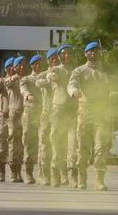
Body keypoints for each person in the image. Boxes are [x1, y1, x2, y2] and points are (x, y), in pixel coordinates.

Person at [67, 41, 112, 191]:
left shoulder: (106, 71)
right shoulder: (79, 70)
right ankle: (82, 179)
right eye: (90, 51)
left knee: (100, 148)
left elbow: (113, 86)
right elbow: (72, 83)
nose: (93, 53)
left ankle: (99, 180)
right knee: (83, 149)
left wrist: (115, 93)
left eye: (96, 51)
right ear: (86, 53)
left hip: (101, 113)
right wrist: (73, 91)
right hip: (85, 113)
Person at [48, 44, 78, 187]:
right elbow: (50, 76)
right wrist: (52, 77)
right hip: (58, 110)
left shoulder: (76, 71)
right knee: (57, 142)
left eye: (69, 53)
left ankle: (72, 174)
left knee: (73, 143)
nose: (67, 56)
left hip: (72, 111)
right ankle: (56, 174)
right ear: (59, 56)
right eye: (64, 54)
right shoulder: (55, 69)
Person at [34, 49, 58, 186]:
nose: (54, 60)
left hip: (60, 113)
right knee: (44, 144)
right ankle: (43, 174)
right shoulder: (43, 74)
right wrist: (48, 78)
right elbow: (38, 82)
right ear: (48, 61)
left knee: (59, 144)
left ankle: (59, 174)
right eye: (52, 58)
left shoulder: (62, 72)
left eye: (56, 58)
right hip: (46, 113)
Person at [19, 55, 44, 184]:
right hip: (30, 112)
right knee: (29, 142)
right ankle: (28, 173)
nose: (38, 66)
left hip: (43, 112)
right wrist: (28, 95)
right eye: (36, 64)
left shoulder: (45, 77)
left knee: (44, 143)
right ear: (32, 66)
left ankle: (42, 173)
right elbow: (23, 89)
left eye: (40, 64)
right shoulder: (26, 79)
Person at [5, 56, 25, 183]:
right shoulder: (11, 79)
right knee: (13, 142)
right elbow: (6, 83)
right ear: (15, 67)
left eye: (24, 65)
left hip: (26, 112)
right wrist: (14, 77)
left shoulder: (26, 79)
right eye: (20, 65)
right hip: (14, 113)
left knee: (23, 142)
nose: (22, 68)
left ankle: (19, 170)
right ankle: (13, 171)